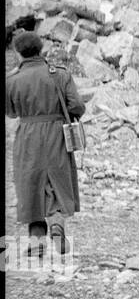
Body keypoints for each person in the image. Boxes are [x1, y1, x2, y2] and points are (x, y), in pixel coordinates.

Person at [6, 30, 86, 266]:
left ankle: (36, 244)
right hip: (57, 134)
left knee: (30, 185)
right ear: (41, 50)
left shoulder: (11, 80)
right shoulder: (59, 75)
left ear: (18, 53)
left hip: (28, 135)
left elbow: (10, 111)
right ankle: (58, 225)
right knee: (57, 181)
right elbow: (78, 106)